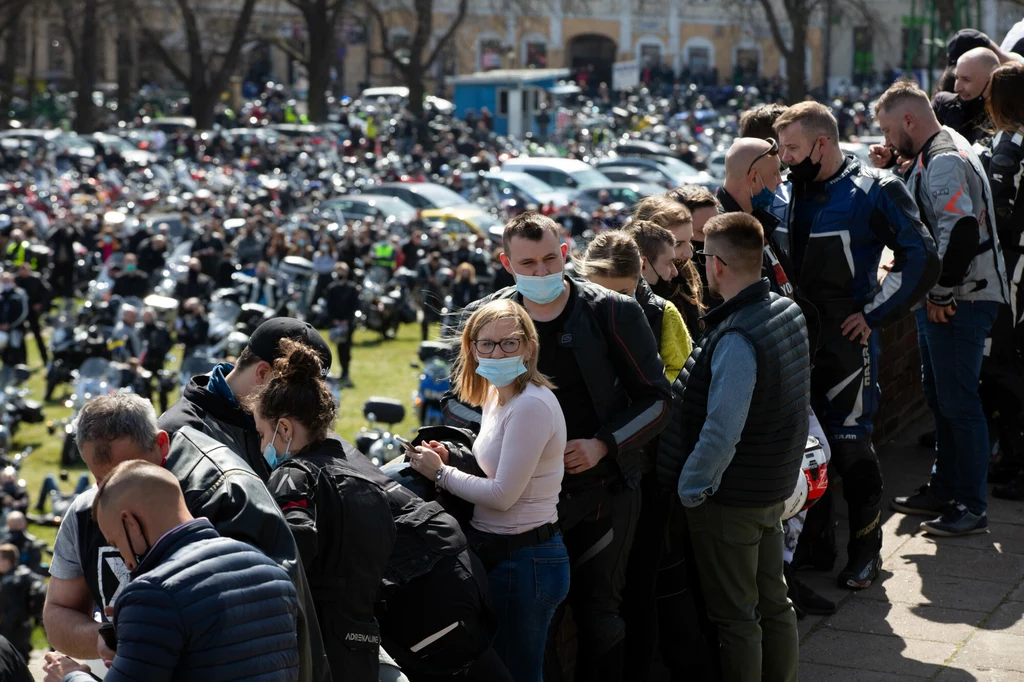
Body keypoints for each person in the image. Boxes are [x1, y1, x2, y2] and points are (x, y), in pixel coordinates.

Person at [443, 212, 671, 682]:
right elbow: (459, 399)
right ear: (507, 263)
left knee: (601, 612)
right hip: (521, 503)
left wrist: (603, 445)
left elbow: (658, 400)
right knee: (527, 626)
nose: (542, 272)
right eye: (528, 264)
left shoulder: (611, 310)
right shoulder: (492, 316)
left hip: (600, 489)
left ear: (566, 254)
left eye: (550, 259)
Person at [43, 394, 330, 682]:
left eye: (131, 473)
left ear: (162, 445)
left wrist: (71, 677)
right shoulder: (269, 573)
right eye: (101, 481)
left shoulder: (226, 493)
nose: (111, 493)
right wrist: (108, 636)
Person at [774, 102, 939, 588]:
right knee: (804, 450)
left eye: (792, 148)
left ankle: (866, 549)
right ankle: (815, 545)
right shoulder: (784, 189)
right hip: (794, 337)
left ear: (821, 144)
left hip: (848, 341)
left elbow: (923, 257)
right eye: (780, 148)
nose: (783, 157)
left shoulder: (874, 188)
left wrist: (874, 315)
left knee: (850, 448)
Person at [667, 212, 807, 682]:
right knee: (775, 602)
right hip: (773, 485)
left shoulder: (737, 336)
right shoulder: (787, 310)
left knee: (737, 618)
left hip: (732, 500)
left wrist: (692, 488)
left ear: (717, 265)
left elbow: (722, 429)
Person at [875, 81, 1008, 535]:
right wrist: (895, 161)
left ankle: (970, 505)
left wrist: (942, 292)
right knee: (942, 398)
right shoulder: (941, 148)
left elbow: (963, 231)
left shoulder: (944, 158)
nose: (889, 140)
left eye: (891, 131)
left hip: (962, 299)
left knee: (959, 403)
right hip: (958, 295)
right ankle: (944, 487)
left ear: (909, 120)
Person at [411, 299, 569, 682]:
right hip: (506, 555)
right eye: (487, 344)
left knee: (516, 674)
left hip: (525, 560)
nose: (497, 352)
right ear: (472, 348)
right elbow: (496, 464)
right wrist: (451, 456)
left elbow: (502, 495)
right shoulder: (497, 395)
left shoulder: (530, 404)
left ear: (529, 346)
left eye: (509, 343)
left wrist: (441, 473)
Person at [715, 135, 837, 617]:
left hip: (786, 370)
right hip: (761, 380)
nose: (782, 182)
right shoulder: (723, 229)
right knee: (799, 469)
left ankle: (782, 578)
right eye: (775, 175)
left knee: (812, 465)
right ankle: (777, 586)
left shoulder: (757, 222)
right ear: (752, 178)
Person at [42, 459, 300, 682]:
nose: (127, 561)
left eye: (116, 542)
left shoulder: (151, 593)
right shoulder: (271, 570)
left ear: (130, 522)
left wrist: (71, 675)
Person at [577, 229, 692, 681]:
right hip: (591, 472)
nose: (610, 304)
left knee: (638, 585)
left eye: (621, 293)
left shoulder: (660, 315)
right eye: (598, 290)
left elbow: (674, 393)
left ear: (639, 276)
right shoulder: (568, 314)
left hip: (646, 467)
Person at [245, 339, 395, 682]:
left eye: (260, 433)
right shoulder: (368, 478)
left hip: (316, 644)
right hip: (363, 639)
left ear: (283, 428)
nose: (260, 443)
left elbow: (293, 544)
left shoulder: (293, 474)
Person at [160, 317, 334, 483]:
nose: (302, 404)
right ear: (263, 373)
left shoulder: (284, 424)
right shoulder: (179, 433)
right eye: (296, 391)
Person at [982, 63, 1024, 500]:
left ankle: (1014, 462)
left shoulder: (1008, 145)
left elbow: (999, 215)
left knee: (1004, 366)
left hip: (1012, 268)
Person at [932, 47, 1001, 146]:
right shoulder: (943, 105)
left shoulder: (1003, 121)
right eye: (956, 78)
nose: (956, 88)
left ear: (990, 80)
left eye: (966, 80)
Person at [0, 543, 44, 662]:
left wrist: (3, 631)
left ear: (6, 561)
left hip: (14, 629)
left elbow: (12, 610)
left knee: (15, 661)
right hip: (25, 625)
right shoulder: (24, 573)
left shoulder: (10, 582)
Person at [326, 262, 358, 386]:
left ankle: (346, 370)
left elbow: (354, 306)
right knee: (339, 347)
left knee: (347, 347)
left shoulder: (352, 288)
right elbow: (329, 307)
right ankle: (342, 370)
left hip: (347, 323)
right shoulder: (332, 288)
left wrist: (347, 320)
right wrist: (334, 320)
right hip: (336, 322)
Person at [14, 263, 49, 365]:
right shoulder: (16, 280)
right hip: (20, 313)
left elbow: (46, 292)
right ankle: (23, 362)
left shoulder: (36, 279)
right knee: (21, 338)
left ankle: (45, 358)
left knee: (37, 335)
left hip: (32, 312)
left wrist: (40, 304)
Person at [0, 271, 29, 387]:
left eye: (8, 280)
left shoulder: (20, 294)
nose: (6, 283)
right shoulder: (1, 295)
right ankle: (5, 381)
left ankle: (17, 381)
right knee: (5, 357)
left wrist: (10, 325)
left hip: (16, 330)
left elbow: (23, 313)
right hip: (2, 332)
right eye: (3, 281)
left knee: (16, 355)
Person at [418, 250, 449, 341]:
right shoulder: (424, 266)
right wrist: (428, 280)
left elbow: (449, 280)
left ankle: (442, 339)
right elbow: (418, 278)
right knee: (425, 320)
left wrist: (440, 281)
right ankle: (424, 339)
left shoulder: (445, 266)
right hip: (427, 296)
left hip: (440, 296)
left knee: (443, 318)